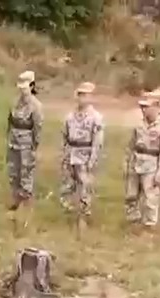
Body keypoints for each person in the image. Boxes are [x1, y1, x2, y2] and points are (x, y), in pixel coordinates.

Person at [124, 88, 160, 230]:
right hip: (136, 162)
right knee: (131, 193)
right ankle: (133, 220)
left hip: (151, 164)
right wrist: (127, 162)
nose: (143, 110)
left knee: (150, 196)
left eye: (146, 107)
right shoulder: (138, 124)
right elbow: (131, 144)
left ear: (155, 107)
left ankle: (150, 224)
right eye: (142, 107)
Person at [59, 81, 105, 227]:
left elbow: (97, 141)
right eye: (80, 95)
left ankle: (84, 215)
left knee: (85, 187)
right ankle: (69, 213)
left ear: (91, 97)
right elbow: (64, 136)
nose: (82, 98)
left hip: (86, 154)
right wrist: (64, 154)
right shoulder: (70, 116)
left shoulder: (96, 117)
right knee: (68, 186)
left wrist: (93, 159)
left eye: (85, 95)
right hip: (71, 153)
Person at [6, 70, 44, 211]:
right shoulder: (14, 102)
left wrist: (34, 145)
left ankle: (26, 199)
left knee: (26, 170)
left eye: (25, 86)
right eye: (20, 87)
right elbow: (10, 121)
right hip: (14, 139)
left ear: (32, 86)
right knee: (13, 169)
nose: (22, 89)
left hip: (27, 141)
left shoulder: (36, 105)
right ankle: (15, 197)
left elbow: (37, 127)